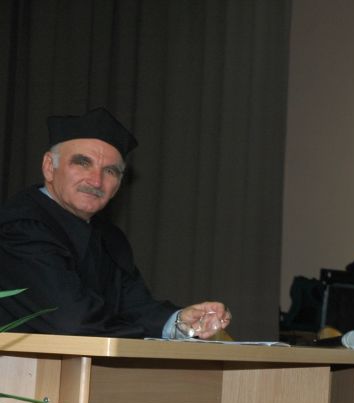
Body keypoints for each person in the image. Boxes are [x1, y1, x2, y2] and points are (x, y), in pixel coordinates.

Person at [0, 107, 230, 339]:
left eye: (109, 171)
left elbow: (135, 306)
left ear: (119, 184)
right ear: (50, 167)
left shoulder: (109, 237)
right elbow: (72, 320)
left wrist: (179, 323)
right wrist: (142, 336)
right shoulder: (19, 227)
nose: (96, 181)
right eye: (82, 163)